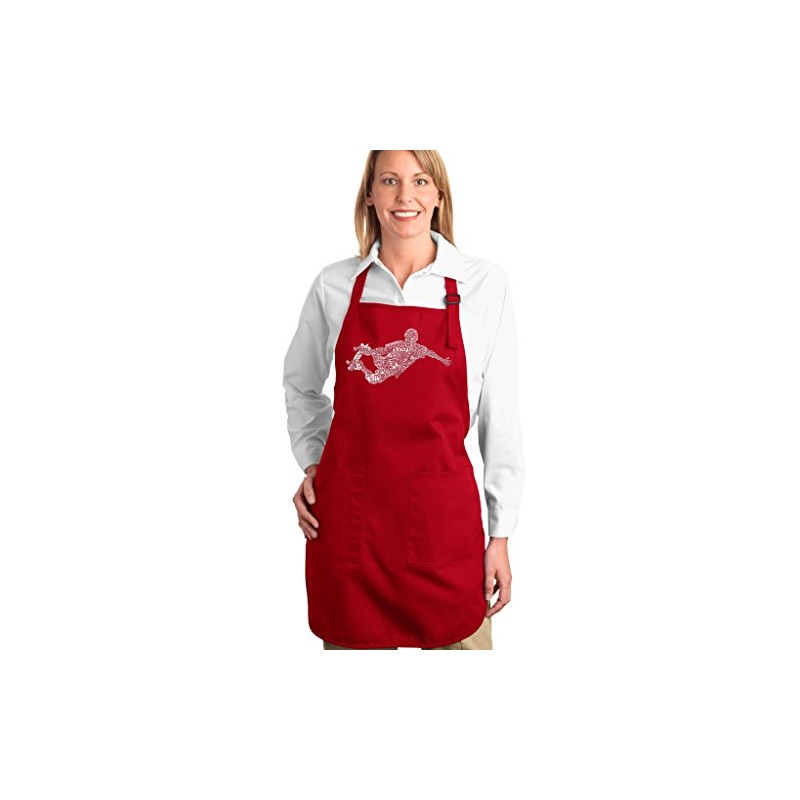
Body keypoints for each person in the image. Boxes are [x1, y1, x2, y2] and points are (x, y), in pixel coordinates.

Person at [283, 150, 525, 650]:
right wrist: (315, 463)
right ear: (370, 195)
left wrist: (500, 534)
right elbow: (301, 385)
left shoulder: (483, 285)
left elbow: (499, 417)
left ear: (438, 196)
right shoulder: (335, 284)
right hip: (352, 529)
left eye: (419, 180)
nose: (404, 196)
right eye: (389, 181)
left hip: (444, 529)